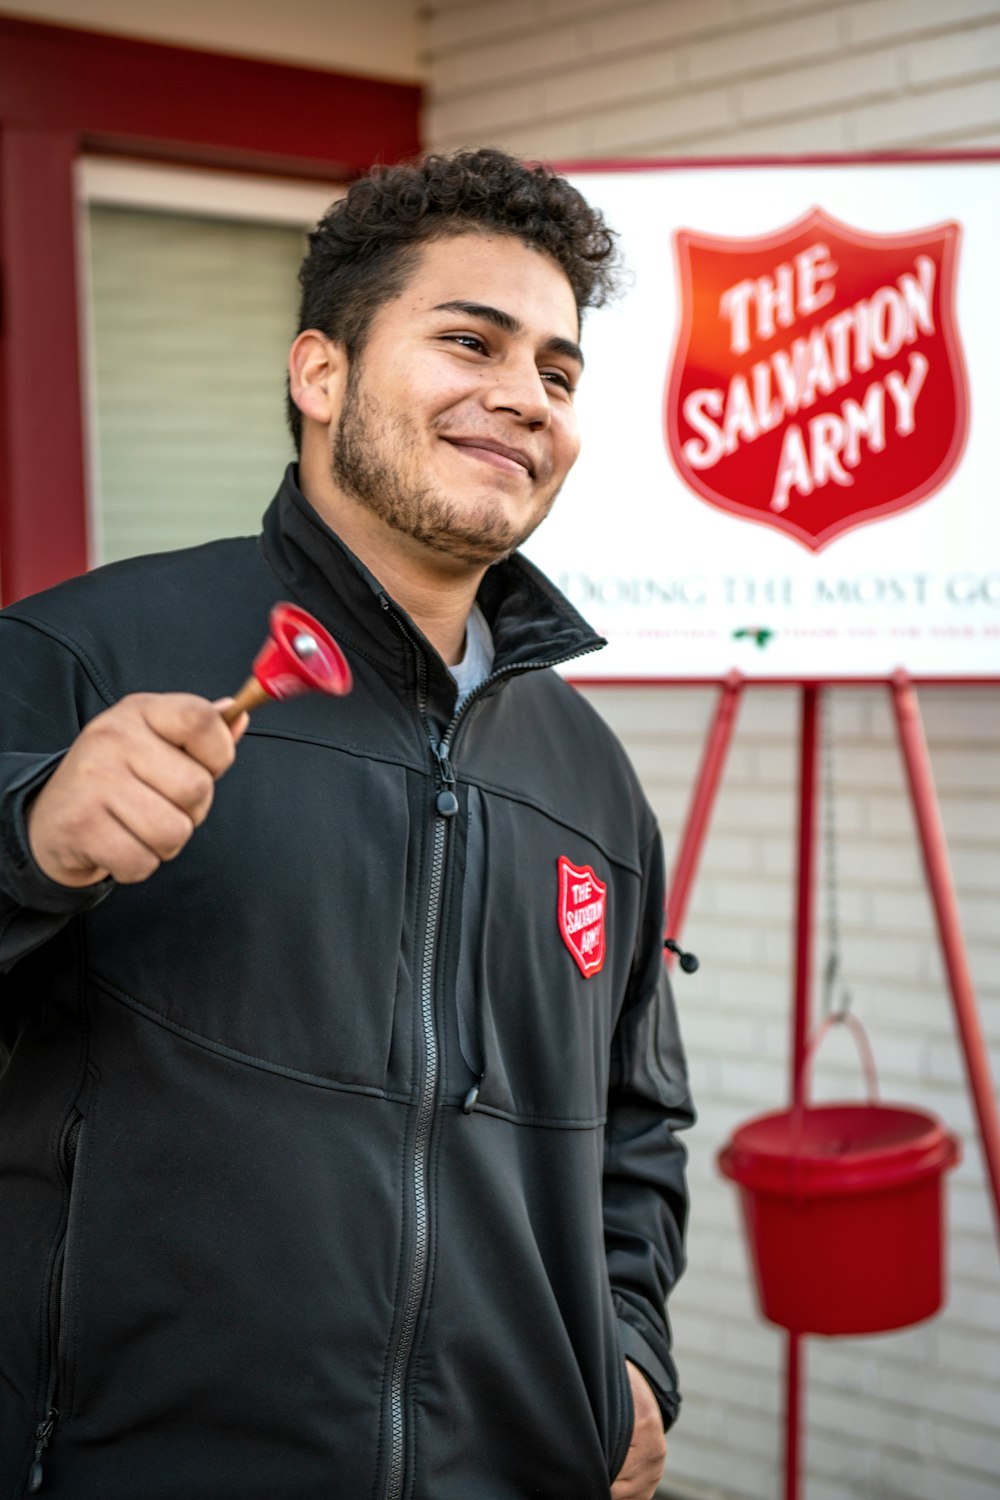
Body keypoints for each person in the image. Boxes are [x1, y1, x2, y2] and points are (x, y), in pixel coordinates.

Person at [0, 148, 693, 1500]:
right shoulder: (80, 659)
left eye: (557, 371)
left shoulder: (591, 779)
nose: (522, 397)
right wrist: (27, 841)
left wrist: (630, 1361)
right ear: (320, 375)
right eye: (469, 341)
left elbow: (638, 1122)